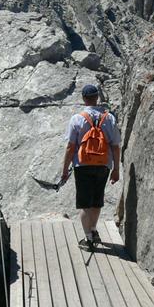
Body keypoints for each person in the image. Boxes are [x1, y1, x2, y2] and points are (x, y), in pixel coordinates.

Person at [61, 84, 121, 248]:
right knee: (96, 201)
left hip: (83, 165)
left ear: (84, 98)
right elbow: (115, 146)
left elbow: (70, 146)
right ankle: (93, 230)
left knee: (84, 204)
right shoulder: (109, 118)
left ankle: (88, 239)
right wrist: (116, 169)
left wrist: (65, 170)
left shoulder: (77, 119)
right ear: (97, 97)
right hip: (103, 164)